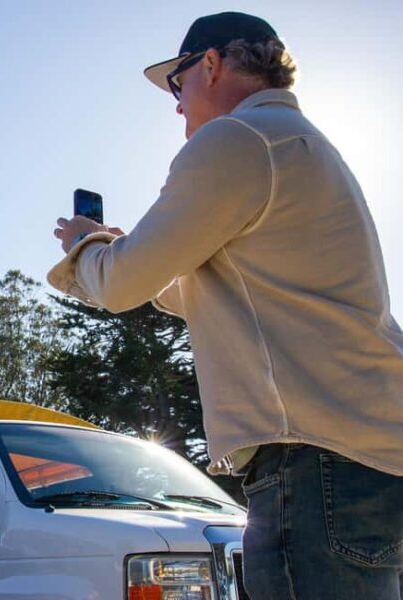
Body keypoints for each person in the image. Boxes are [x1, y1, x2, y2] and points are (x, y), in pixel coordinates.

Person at [49, 11, 403, 599]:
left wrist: (86, 246)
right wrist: (119, 249)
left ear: (209, 64)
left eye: (176, 83)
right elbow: (198, 288)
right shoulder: (301, 145)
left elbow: (121, 286)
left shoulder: (235, 139)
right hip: (361, 453)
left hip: (311, 458)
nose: (176, 104)